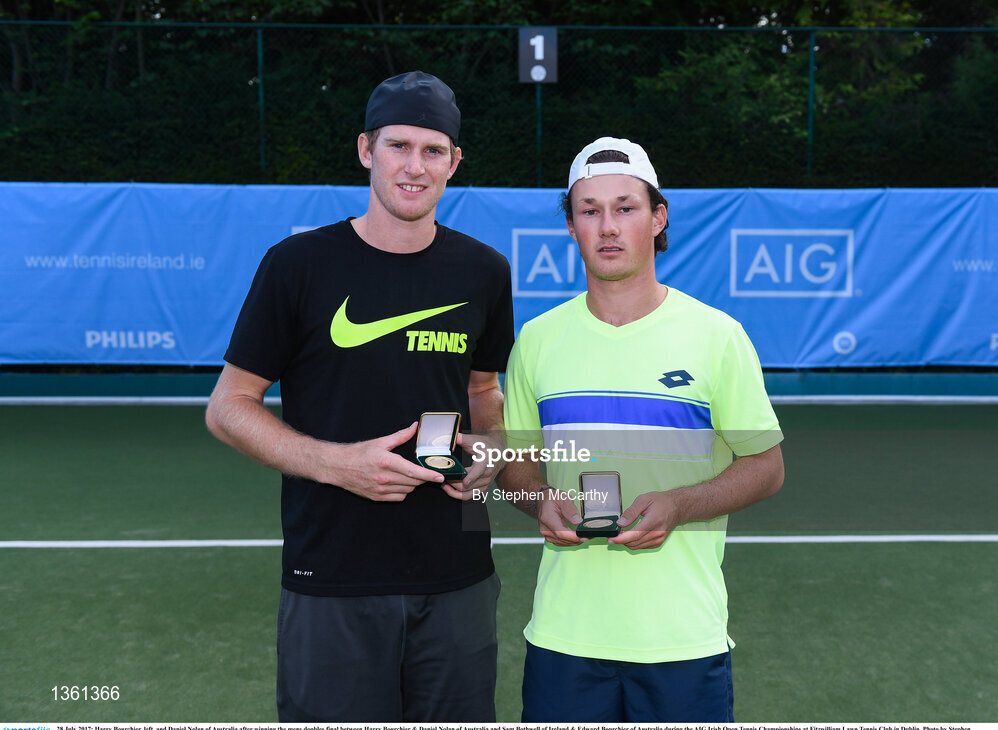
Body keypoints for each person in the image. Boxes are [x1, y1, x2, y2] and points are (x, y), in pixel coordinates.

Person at [205, 71, 514, 722]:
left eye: (433, 151)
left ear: (454, 163)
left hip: (458, 577)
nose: (414, 166)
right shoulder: (298, 266)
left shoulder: (484, 271)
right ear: (365, 150)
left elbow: (483, 391)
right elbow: (228, 407)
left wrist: (487, 453)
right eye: (398, 145)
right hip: (333, 578)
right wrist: (336, 464)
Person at [498, 137, 784, 722]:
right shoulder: (536, 340)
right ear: (572, 226)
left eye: (625, 208)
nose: (608, 226)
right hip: (563, 638)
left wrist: (680, 504)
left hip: (682, 640)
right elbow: (517, 463)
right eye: (589, 209)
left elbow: (766, 467)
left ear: (658, 217)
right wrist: (537, 500)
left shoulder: (718, 337)